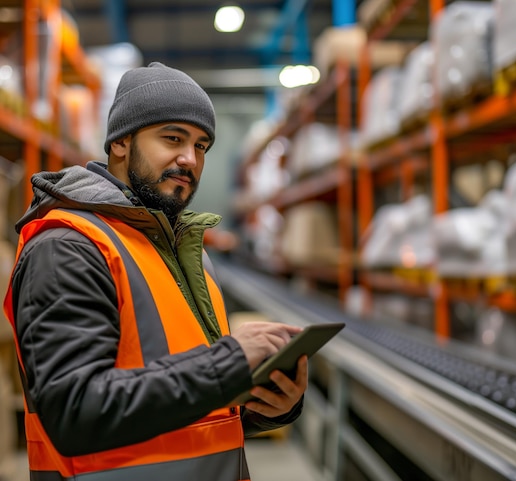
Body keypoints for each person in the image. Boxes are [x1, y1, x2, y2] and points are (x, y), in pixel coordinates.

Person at [3, 62, 308, 481]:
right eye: (173, 138)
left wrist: (262, 405)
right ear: (121, 143)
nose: (189, 159)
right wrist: (229, 361)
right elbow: (76, 413)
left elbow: (185, 399)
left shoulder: (187, 253)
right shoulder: (69, 247)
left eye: (201, 145)